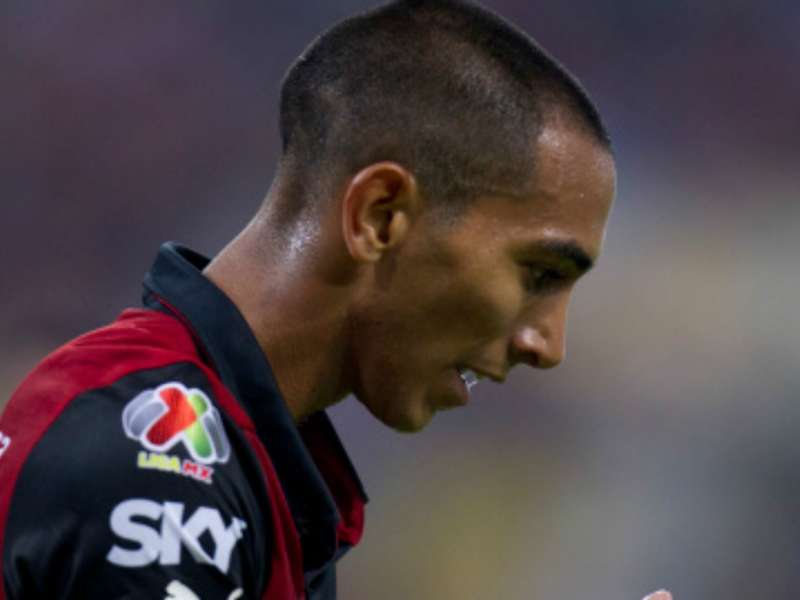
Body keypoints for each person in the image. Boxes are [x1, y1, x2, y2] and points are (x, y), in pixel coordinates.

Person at [0, 0, 636, 598]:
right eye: (538, 273)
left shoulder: (258, 472)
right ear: (380, 217)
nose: (548, 345)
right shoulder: (154, 461)